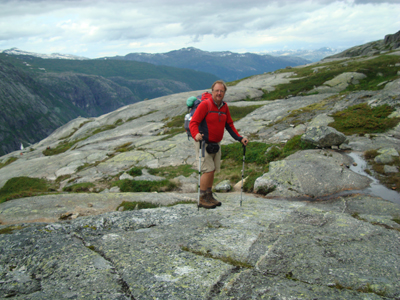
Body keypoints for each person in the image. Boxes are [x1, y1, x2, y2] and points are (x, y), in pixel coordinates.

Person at [189, 80, 248, 209]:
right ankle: (202, 198)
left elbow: (229, 125)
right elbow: (193, 123)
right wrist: (195, 135)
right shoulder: (205, 105)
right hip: (203, 143)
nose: (219, 93)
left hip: (216, 143)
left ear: (224, 92)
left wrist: (239, 138)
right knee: (208, 170)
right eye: (217, 90)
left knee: (213, 170)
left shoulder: (224, 107)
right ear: (212, 92)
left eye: (221, 91)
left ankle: (209, 196)